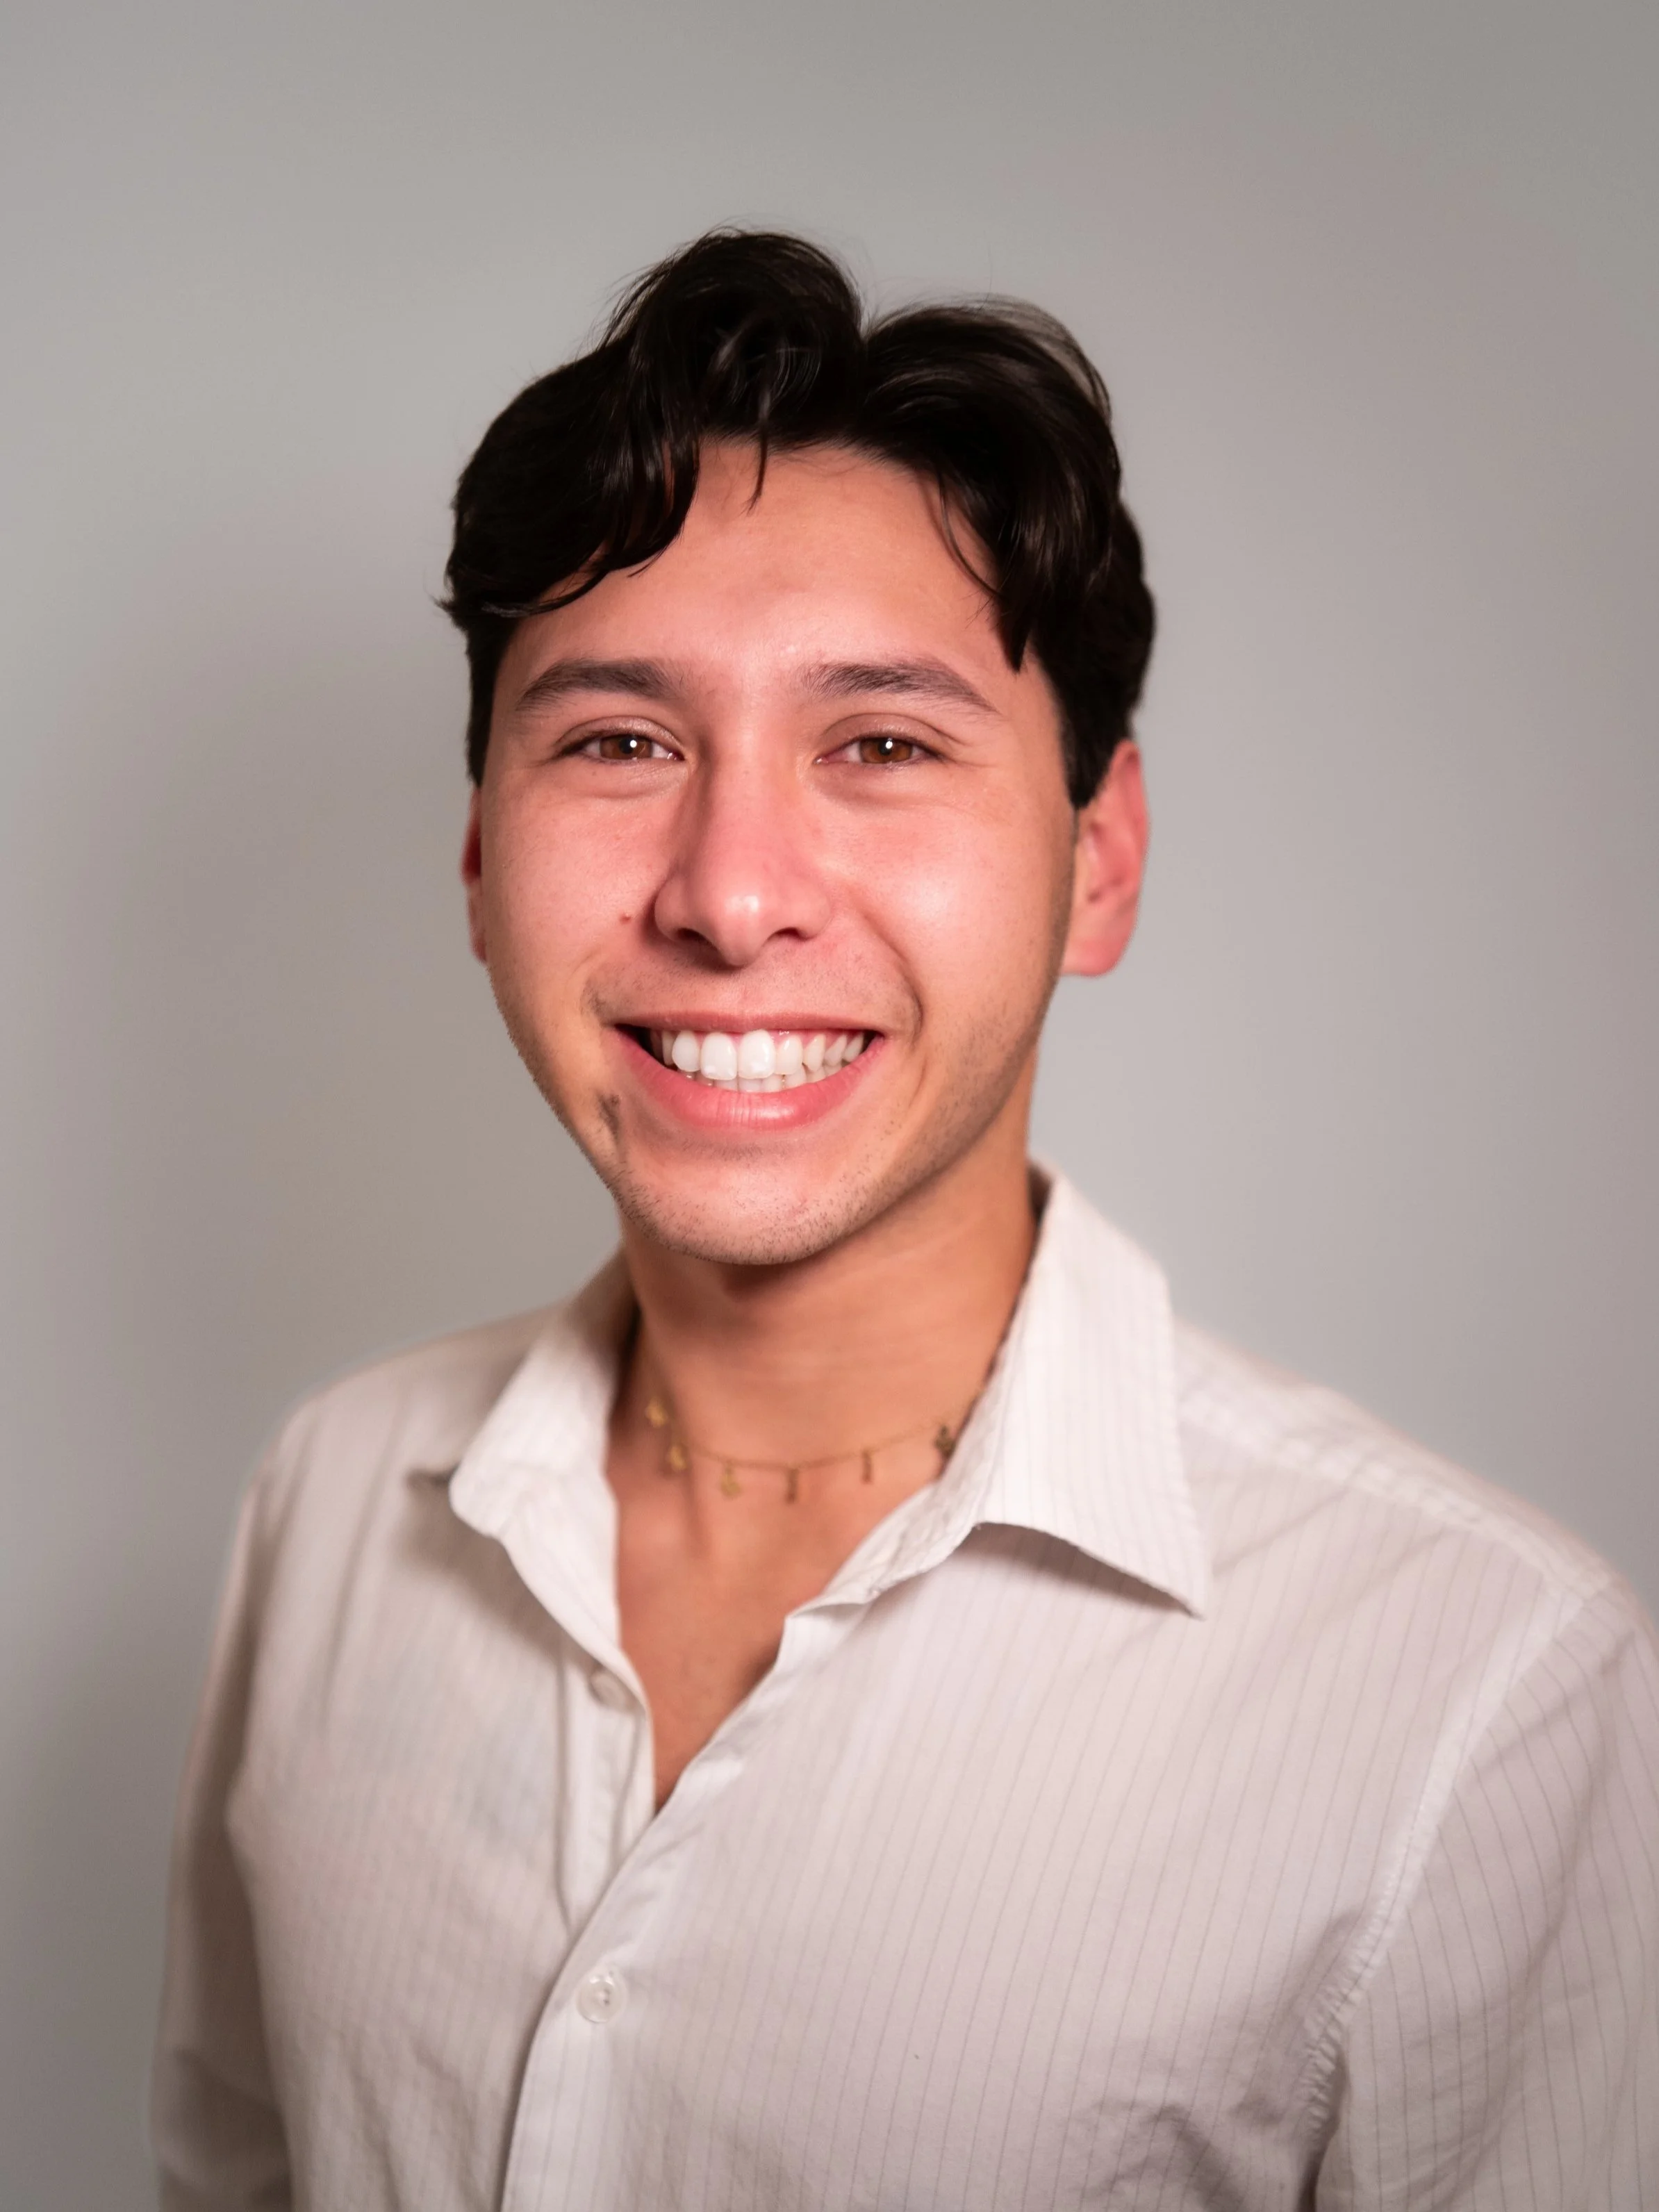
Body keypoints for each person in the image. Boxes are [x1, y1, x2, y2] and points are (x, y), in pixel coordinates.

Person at [151, 230, 1659, 2211]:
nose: (731, 890)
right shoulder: (331, 1504)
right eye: (618, 741)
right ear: (474, 852)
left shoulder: (1480, 1690)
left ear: (1094, 862)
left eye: (879, 744)